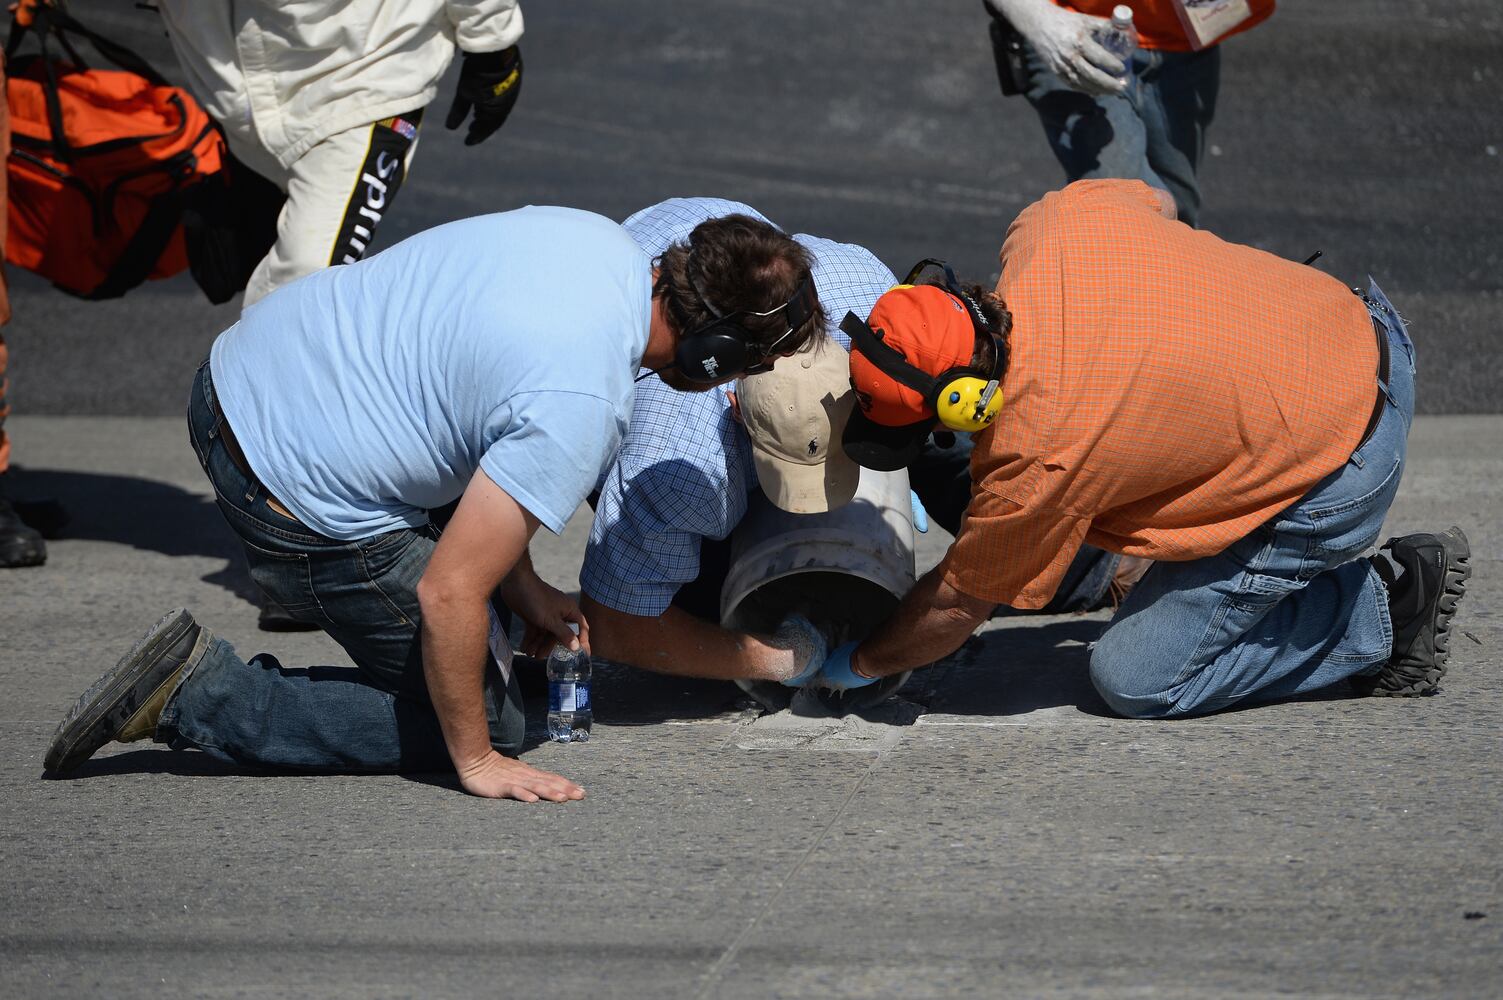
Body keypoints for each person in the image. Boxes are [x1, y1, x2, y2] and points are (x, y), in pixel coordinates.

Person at [42, 206, 823, 800]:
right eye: (746, 367)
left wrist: (523, 585)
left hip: (249, 368)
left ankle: (466, 652)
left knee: (501, 634)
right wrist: (476, 760)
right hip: (289, 486)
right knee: (492, 716)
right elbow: (446, 593)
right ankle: (197, 695)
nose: (735, 383)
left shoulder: (593, 238)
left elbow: (483, 412)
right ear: (714, 352)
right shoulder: (585, 400)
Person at [819, 179, 1470, 716]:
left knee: (1135, 678)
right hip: (1365, 329)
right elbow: (1159, 198)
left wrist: (860, 662)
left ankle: (1385, 608)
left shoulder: (1034, 458)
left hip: (1342, 466)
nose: (944, 440)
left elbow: (959, 602)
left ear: (966, 402)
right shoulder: (1052, 223)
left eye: (936, 428)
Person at [579, 198, 1122, 685]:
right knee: (701, 614)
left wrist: (906, 461)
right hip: (645, 409)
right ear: (737, 413)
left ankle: (1090, 567)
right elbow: (617, 625)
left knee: (934, 415)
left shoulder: (863, 292)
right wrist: (773, 658)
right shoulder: (675, 470)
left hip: (713, 247)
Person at [155, 0, 528, 628]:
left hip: (362, 79)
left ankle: (301, 548)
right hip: (234, 94)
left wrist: (490, 38)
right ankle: (321, 512)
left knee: (291, 304)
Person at [985, 0, 1274, 225]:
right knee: (1123, 214)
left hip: (1187, 37)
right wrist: (1036, 18)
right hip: (1075, 30)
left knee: (1178, 212)